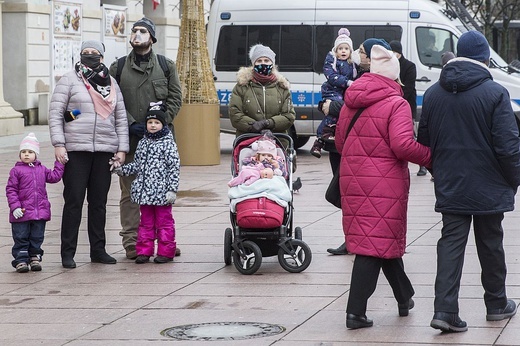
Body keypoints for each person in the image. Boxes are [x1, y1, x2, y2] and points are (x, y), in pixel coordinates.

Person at [417, 30, 520, 333]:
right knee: (490, 243)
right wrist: (513, 180)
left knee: (450, 244)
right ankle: (496, 303)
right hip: (489, 184)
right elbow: (508, 146)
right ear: (486, 57)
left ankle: (445, 310)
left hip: (451, 183)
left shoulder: (434, 93)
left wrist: (441, 171)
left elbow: (425, 140)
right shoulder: (495, 92)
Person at [336, 45, 431, 329]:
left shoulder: (352, 98)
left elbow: (340, 143)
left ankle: (405, 297)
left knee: (378, 240)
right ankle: (355, 312)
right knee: (372, 245)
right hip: (384, 182)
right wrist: (430, 156)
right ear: (394, 76)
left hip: (353, 179)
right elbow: (402, 145)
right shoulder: (396, 103)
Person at [49, 40, 129, 269]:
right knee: (73, 201)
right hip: (76, 150)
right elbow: (56, 114)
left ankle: (98, 250)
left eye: (95, 53)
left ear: (102, 57)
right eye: (86, 52)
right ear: (80, 55)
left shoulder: (111, 83)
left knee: (98, 203)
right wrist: (59, 144)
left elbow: (120, 118)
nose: (90, 55)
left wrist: (122, 149)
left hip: (104, 151)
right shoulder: (69, 80)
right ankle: (68, 253)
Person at [109, 17, 182, 260]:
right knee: (130, 193)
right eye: (134, 31)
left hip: (161, 142)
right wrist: (131, 124)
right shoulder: (117, 67)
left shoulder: (166, 65)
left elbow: (175, 98)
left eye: (142, 31)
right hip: (129, 139)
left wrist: (158, 122)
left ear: (152, 37)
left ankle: (165, 242)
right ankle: (133, 242)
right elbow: (112, 100)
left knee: (162, 194)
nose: (137, 35)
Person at [326, 38, 391, 256]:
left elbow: (356, 104)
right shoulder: (355, 73)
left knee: (360, 199)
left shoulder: (372, 78)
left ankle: (362, 241)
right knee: (348, 197)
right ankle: (352, 239)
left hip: (362, 149)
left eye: (361, 52)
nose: (356, 54)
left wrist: (332, 107)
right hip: (343, 145)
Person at [113, 102, 180, 264]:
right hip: (146, 194)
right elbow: (137, 164)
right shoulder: (143, 143)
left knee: (164, 223)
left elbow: (174, 167)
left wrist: (172, 189)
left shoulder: (168, 144)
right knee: (145, 223)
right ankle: (144, 250)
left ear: (163, 124)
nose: (153, 125)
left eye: (157, 122)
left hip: (162, 193)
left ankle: (166, 251)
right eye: (150, 122)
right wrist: (121, 170)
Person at [6, 133, 65, 273]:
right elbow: (11, 190)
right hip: (21, 212)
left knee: (37, 236)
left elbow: (54, 177)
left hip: (40, 212)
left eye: (30, 152)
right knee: (21, 236)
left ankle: (34, 257)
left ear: (36, 154)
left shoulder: (41, 169)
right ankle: (21, 260)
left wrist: (60, 163)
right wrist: (15, 207)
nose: (26, 154)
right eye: (24, 152)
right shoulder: (16, 171)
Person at [228, 44, 296, 149]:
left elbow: (289, 116)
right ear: (253, 63)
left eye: (266, 60)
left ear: (272, 63)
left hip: (277, 142)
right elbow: (235, 114)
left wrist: (267, 123)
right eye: (259, 61)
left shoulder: (282, 87)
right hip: (247, 142)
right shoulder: (242, 86)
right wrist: (253, 126)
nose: (263, 64)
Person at [310, 28, 357, 159]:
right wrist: (348, 82)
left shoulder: (352, 64)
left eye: (346, 49)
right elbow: (331, 76)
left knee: (338, 113)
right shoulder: (331, 60)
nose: (343, 51)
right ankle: (321, 136)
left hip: (342, 92)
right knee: (333, 109)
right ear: (335, 51)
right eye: (340, 48)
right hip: (331, 90)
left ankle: (322, 139)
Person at [389, 40, 427, 177]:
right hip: (391, 106)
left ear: (398, 53)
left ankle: (423, 165)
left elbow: (408, 88)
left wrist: (394, 95)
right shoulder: (388, 65)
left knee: (412, 135)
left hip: (406, 105)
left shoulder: (409, 66)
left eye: (393, 52)